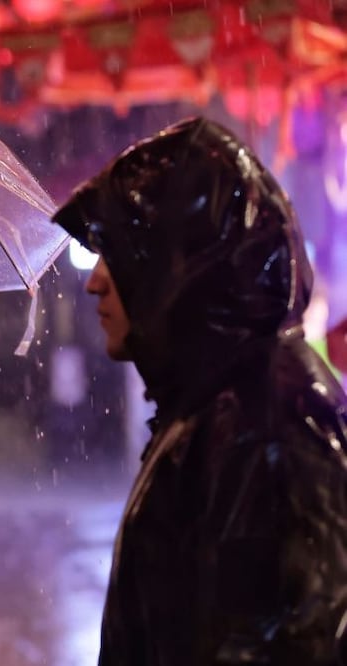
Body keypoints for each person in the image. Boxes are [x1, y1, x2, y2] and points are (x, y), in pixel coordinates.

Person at [53, 116, 347, 665]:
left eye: (117, 253)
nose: (95, 280)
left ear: (181, 265)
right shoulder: (224, 405)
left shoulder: (268, 430)